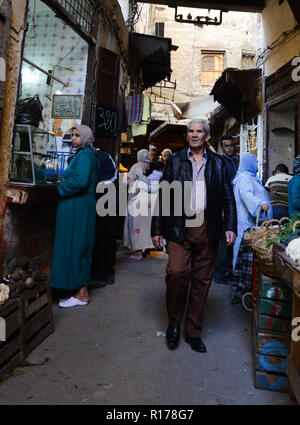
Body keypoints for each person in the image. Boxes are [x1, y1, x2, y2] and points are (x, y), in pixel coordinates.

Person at [151, 119, 237, 353]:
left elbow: (228, 198)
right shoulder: (176, 160)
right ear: (187, 135)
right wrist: (157, 228)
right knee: (177, 272)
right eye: (191, 131)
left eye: (199, 131)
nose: (195, 135)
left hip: (208, 227)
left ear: (207, 136)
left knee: (202, 279)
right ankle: (174, 323)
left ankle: (193, 330)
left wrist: (230, 226)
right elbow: (164, 195)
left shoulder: (218, 163)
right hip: (180, 225)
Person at [50, 125, 97, 308]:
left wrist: (60, 186)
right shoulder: (83, 154)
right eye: (73, 135)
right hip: (76, 206)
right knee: (76, 246)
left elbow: (81, 181)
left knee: (79, 246)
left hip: (79, 206)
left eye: (78, 135)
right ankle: (77, 291)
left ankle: (81, 295)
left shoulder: (85, 155)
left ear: (85, 137)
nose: (74, 138)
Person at [231, 154, 272, 304]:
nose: (256, 165)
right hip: (249, 224)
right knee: (246, 258)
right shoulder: (245, 178)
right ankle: (243, 288)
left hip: (251, 224)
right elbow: (247, 195)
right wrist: (260, 204)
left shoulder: (247, 177)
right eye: (255, 163)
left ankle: (243, 288)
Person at [90, 149, 118, 287]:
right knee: (95, 239)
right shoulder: (78, 156)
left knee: (106, 238)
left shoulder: (104, 156)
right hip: (93, 203)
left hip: (107, 203)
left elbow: (113, 175)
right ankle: (95, 273)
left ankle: (106, 273)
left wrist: (100, 184)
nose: (74, 139)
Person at [214, 135, 238, 285]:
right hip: (225, 206)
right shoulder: (220, 161)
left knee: (230, 241)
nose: (230, 148)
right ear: (222, 148)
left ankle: (225, 272)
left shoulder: (235, 161)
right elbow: (217, 187)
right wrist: (221, 208)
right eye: (227, 146)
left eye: (232, 145)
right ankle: (220, 274)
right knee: (224, 242)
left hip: (234, 206)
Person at [123, 149, 153, 259]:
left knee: (137, 224)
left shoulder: (136, 166)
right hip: (149, 200)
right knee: (147, 226)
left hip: (137, 200)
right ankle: (148, 251)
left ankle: (139, 252)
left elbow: (128, 180)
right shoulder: (151, 166)